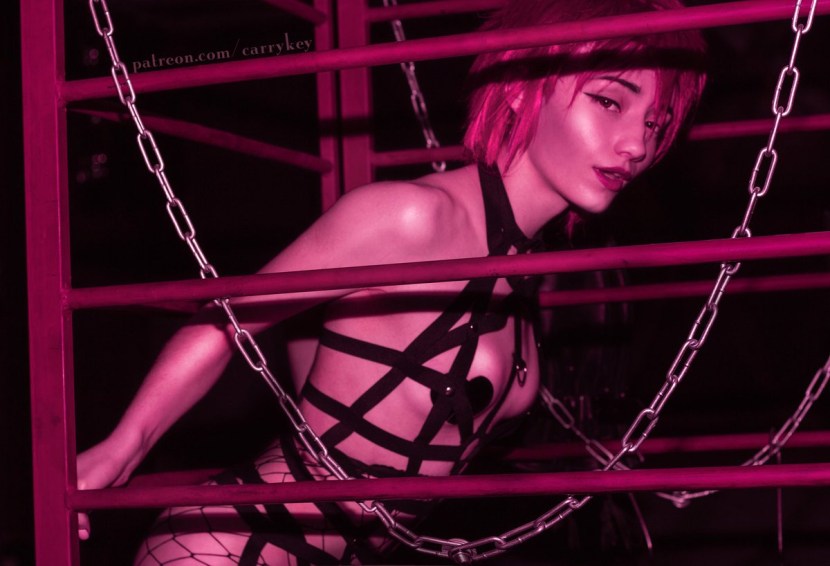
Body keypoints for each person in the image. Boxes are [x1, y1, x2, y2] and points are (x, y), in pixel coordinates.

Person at [77, 0, 707, 563]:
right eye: (609, 101)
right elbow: (228, 321)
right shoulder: (413, 217)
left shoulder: (517, 273)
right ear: (519, 87)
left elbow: (324, 349)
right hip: (229, 548)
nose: (636, 144)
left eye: (655, 123)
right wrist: (120, 449)